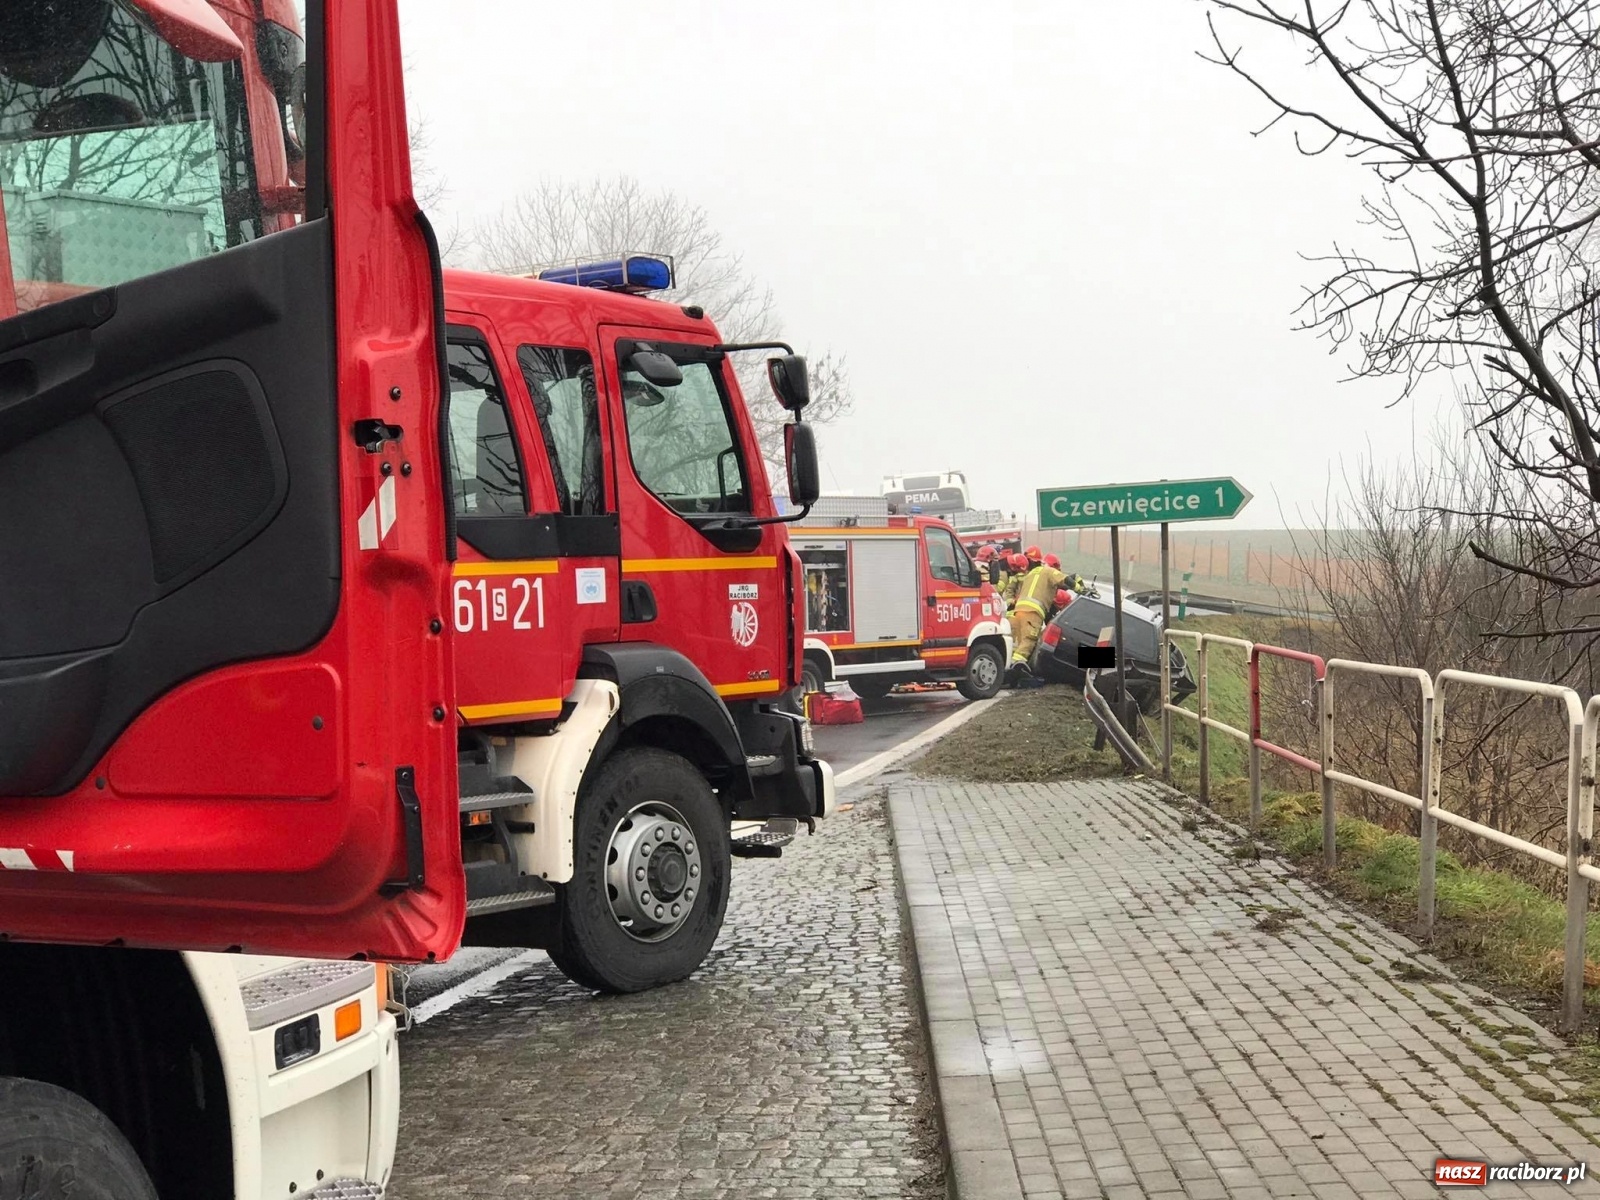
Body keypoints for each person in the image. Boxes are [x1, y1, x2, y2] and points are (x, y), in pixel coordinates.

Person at [1008, 556, 1068, 684]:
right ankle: (1014, 673)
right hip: (1033, 613)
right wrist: (1081, 588)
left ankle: (1007, 669)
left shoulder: (1031, 574)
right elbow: (1065, 579)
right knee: (1028, 642)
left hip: (1018, 611)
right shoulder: (1049, 572)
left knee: (1017, 643)